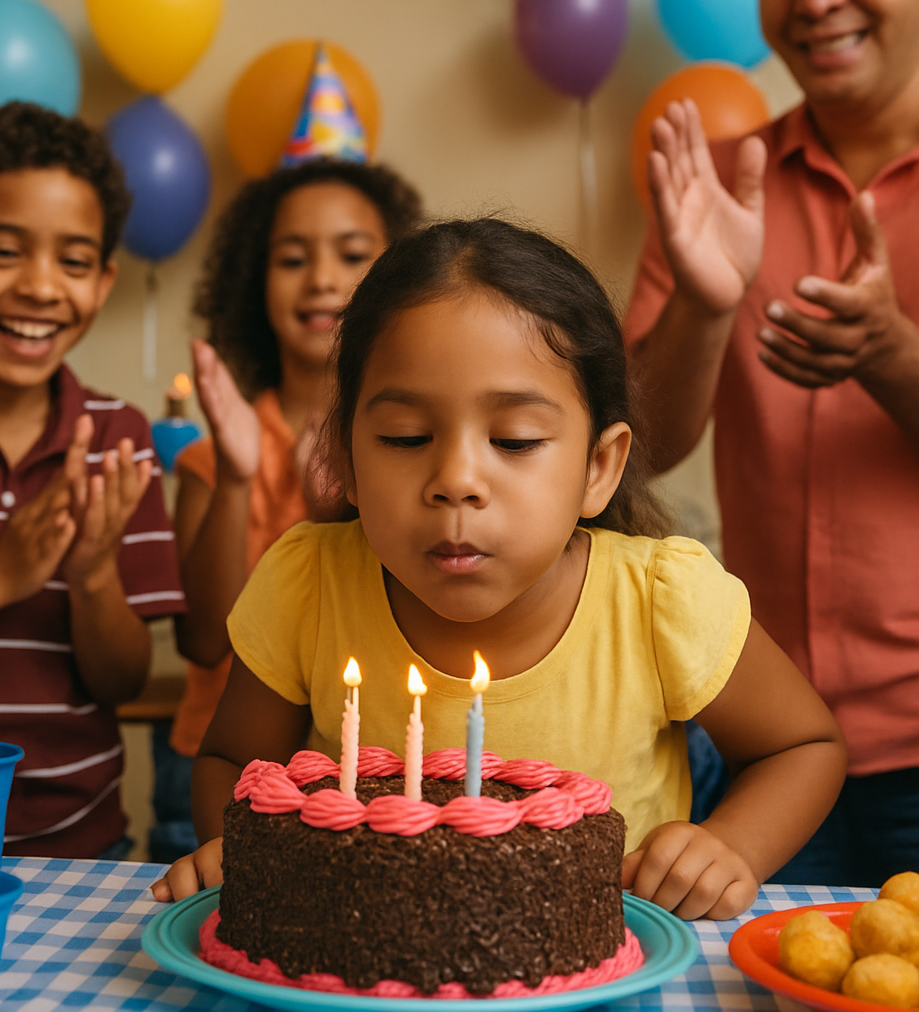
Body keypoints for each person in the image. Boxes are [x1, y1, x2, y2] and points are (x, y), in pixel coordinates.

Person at [152, 217, 846, 918]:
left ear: (598, 468)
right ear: (346, 462)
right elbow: (233, 764)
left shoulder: (659, 599)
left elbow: (804, 746)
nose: (456, 480)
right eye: (406, 437)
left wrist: (729, 844)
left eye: (514, 440)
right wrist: (239, 846)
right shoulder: (308, 585)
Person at [624, 0, 919, 885]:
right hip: (767, 746)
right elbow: (641, 446)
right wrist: (704, 302)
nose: (816, 6)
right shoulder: (712, 184)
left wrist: (892, 357)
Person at [0, 102, 186, 859]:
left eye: (74, 261)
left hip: (78, 847)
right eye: (3, 251)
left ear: (104, 281)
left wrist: (92, 579)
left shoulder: (118, 437)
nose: (42, 287)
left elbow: (121, 682)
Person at [153, 160, 422, 862]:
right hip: (218, 771)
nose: (322, 278)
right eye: (293, 259)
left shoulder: (418, 454)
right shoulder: (214, 458)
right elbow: (202, 642)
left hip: (362, 767)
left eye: (352, 255)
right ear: (255, 283)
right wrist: (236, 478)